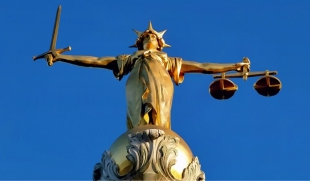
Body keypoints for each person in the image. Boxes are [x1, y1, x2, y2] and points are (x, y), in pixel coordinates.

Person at [45, 22, 249, 129]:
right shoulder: (130, 58)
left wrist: (233, 66)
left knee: (159, 119)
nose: (149, 37)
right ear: (139, 42)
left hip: (161, 84)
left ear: (160, 43)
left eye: (152, 36)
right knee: (137, 119)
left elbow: (202, 66)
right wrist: (64, 58)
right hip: (135, 83)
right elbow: (97, 61)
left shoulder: (166, 60)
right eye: (145, 36)